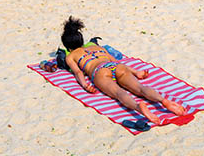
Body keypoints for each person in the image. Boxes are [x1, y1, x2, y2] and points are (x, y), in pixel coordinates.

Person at [61, 17, 189, 124]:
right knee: (139, 87)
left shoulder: (70, 56)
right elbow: (116, 62)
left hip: (99, 71)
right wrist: (135, 72)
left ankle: (138, 107)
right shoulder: (95, 47)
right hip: (115, 66)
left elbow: (78, 72)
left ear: (67, 46)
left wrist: (85, 85)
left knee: (119, 93)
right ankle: (163, 100)